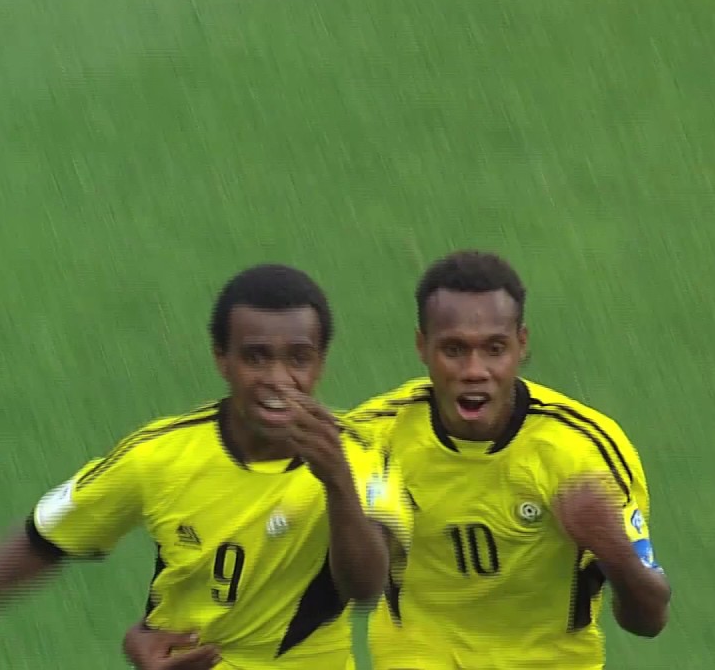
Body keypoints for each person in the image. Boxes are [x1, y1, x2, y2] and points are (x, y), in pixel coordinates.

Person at [127, 250, 671, 669]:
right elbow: (258, 538)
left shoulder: (584, 451)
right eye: (454, 349)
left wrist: (614, 553)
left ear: (521, 345)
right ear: (422, 347)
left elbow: (650, 618)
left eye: (494, 348)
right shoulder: (372, 439)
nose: (475, 370)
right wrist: (150, 632)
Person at [0, 264, 411, 670]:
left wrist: (336, 483)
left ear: (321, 363)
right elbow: (45, 539)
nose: (277, 380)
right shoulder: (160, 455)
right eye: (255, 357)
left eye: (298, 358)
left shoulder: (360, 455)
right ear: (222, 359)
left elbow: (365, 587)